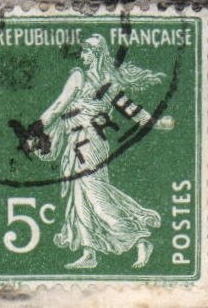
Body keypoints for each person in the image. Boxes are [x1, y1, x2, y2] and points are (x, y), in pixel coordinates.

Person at [33, 33, 173, 269]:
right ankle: (90, 252)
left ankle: (139, 238)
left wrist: (35, 129)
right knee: (81, 196)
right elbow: (133, 111)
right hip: (82, 142)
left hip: (89, 143)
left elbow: (58, 106)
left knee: (95, 195)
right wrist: (156, 123)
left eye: (86, 51)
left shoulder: (81, 77)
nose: (82, 55)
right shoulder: (107, 82)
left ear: (96, 54)